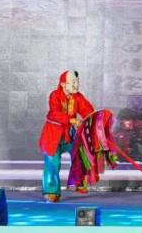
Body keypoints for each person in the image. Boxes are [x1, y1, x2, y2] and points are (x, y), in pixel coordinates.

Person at [38, 70, 94, 202]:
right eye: (73, 82)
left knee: (82, 152)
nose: (76, 85)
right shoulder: (55, 95)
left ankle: (77, 182)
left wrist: (92, 119)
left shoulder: (77, 97)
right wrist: (73, 120)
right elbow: (55, 113)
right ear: (63, 84)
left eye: (77, 82)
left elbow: (87, 110)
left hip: (69, 133)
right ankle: (51, 191)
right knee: (53, 162)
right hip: (53, 134)